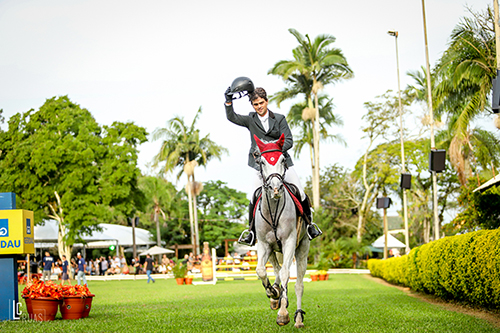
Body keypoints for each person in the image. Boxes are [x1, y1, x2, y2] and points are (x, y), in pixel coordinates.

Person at [224, 80, 322, 245]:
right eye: (256, 104)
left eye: (261, 103)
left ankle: (310, 225)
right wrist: (228, 101)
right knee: (254, 197)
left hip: (282, 165)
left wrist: (274, 150)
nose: (259, 106)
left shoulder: (279, 119)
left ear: (267, 101)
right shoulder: (250, 119)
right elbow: (231, 117)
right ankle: (251, 233)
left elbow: (289, 140)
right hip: (262, 168)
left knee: (301, 191)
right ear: (253, 105)